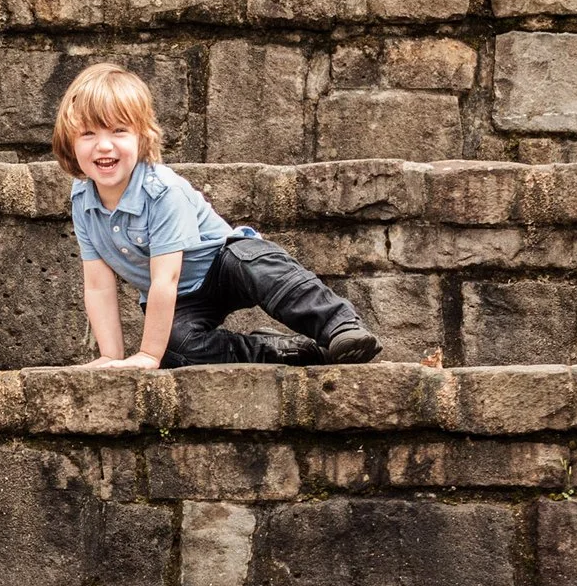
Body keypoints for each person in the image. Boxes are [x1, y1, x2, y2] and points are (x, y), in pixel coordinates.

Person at [56, 61, 380, 370]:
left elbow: (164, 279)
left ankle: (340, 326)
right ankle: (292, 352)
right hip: (185, 299)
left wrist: (146, 355)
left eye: (118, 131)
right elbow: (98, 285)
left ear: (142, 138)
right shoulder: (83, 198)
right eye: (88, 134)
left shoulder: (162, 191)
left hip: (224, 265)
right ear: (70, 142)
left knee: (256, 263)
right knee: (175, 348)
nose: (104, 145)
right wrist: (110, 355)